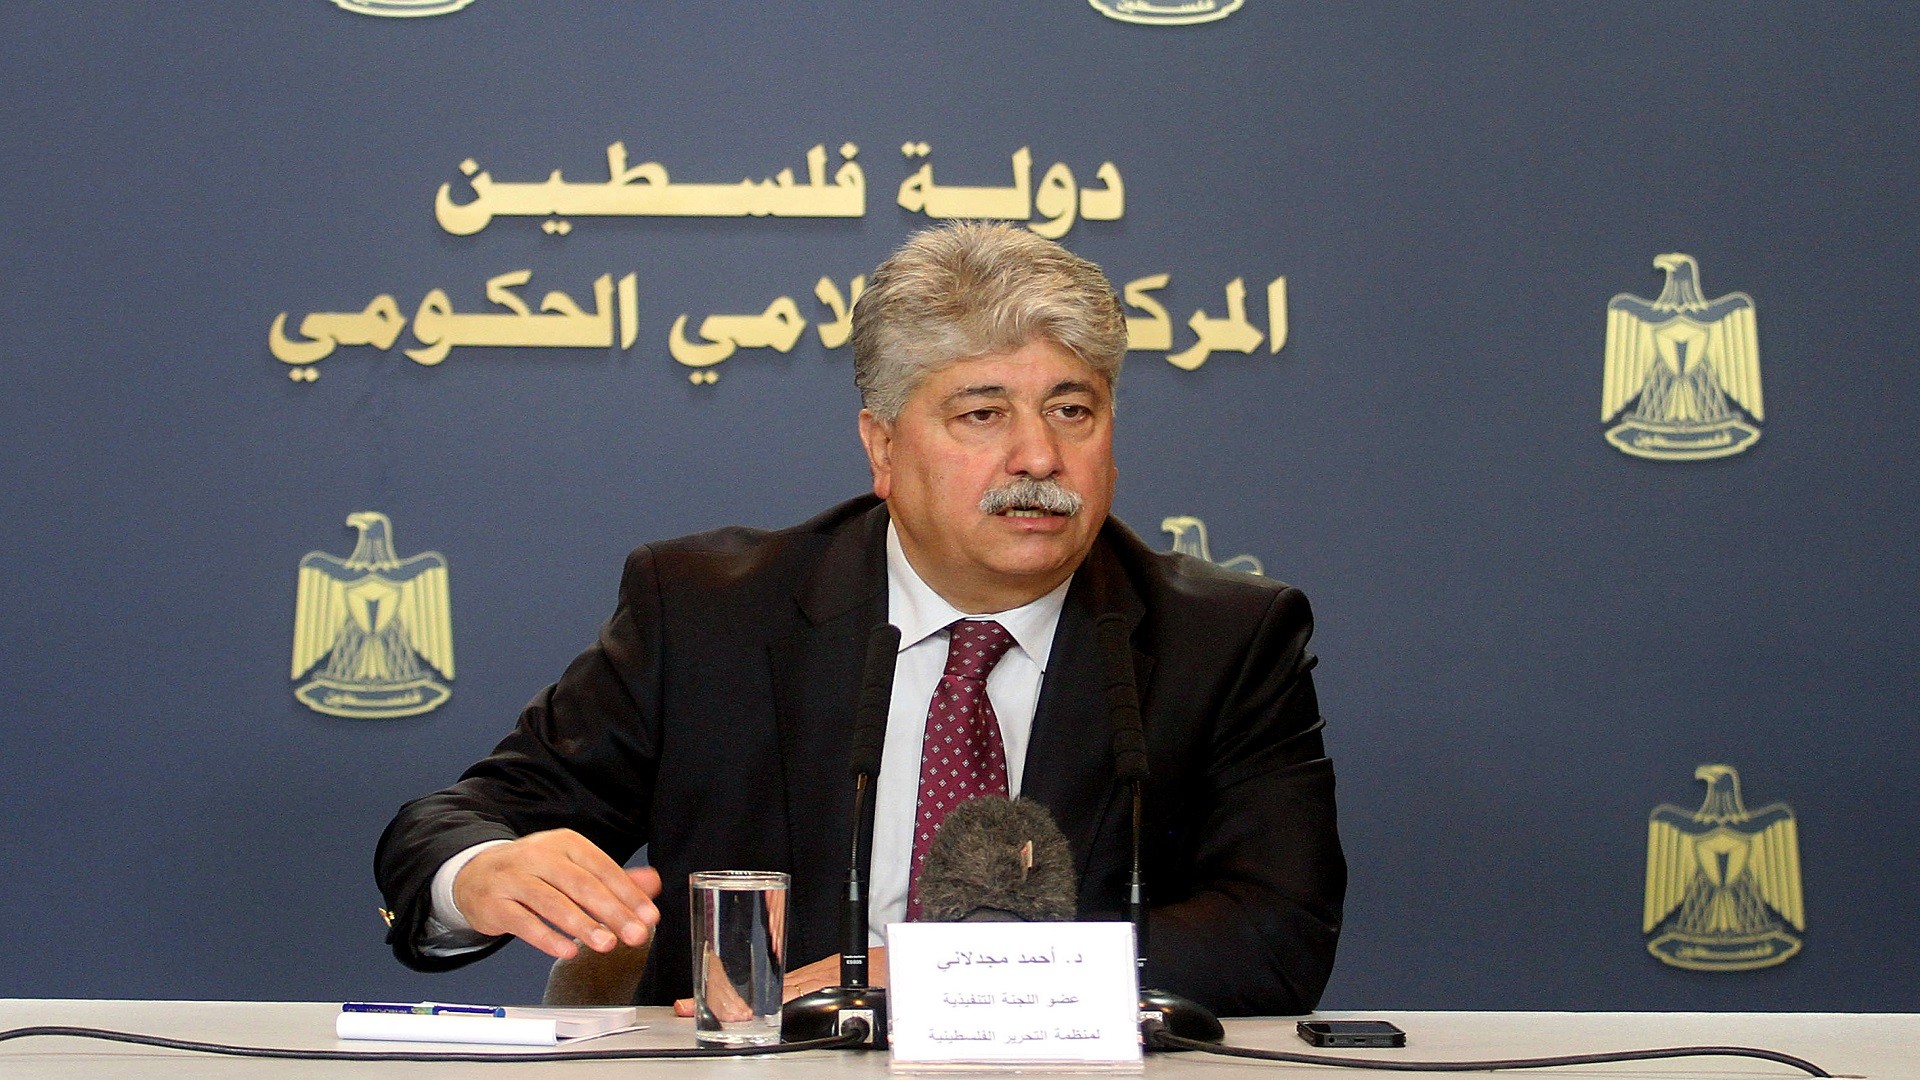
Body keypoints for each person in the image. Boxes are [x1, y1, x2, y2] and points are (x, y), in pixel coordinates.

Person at [375, 223, 1345, 1016]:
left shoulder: (1225, 642)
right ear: (882, 448)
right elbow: (451, 827)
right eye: (982, 415)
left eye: (1072, 411)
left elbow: (1275, 934)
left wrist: (934, 976)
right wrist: (481, 873)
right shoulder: (710, 617)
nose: (1039, 457)